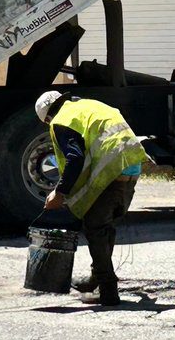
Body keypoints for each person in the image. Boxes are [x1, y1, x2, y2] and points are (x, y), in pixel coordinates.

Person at [37, 90, 147, 306]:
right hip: (132, 165)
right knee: (104, 224)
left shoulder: (60, 121)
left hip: (112, 168)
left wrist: (60, 193)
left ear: (47, 118)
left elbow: (75, 158)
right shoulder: (87, 106)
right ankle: (96, 279)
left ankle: (108, 291)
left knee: (95, 227)